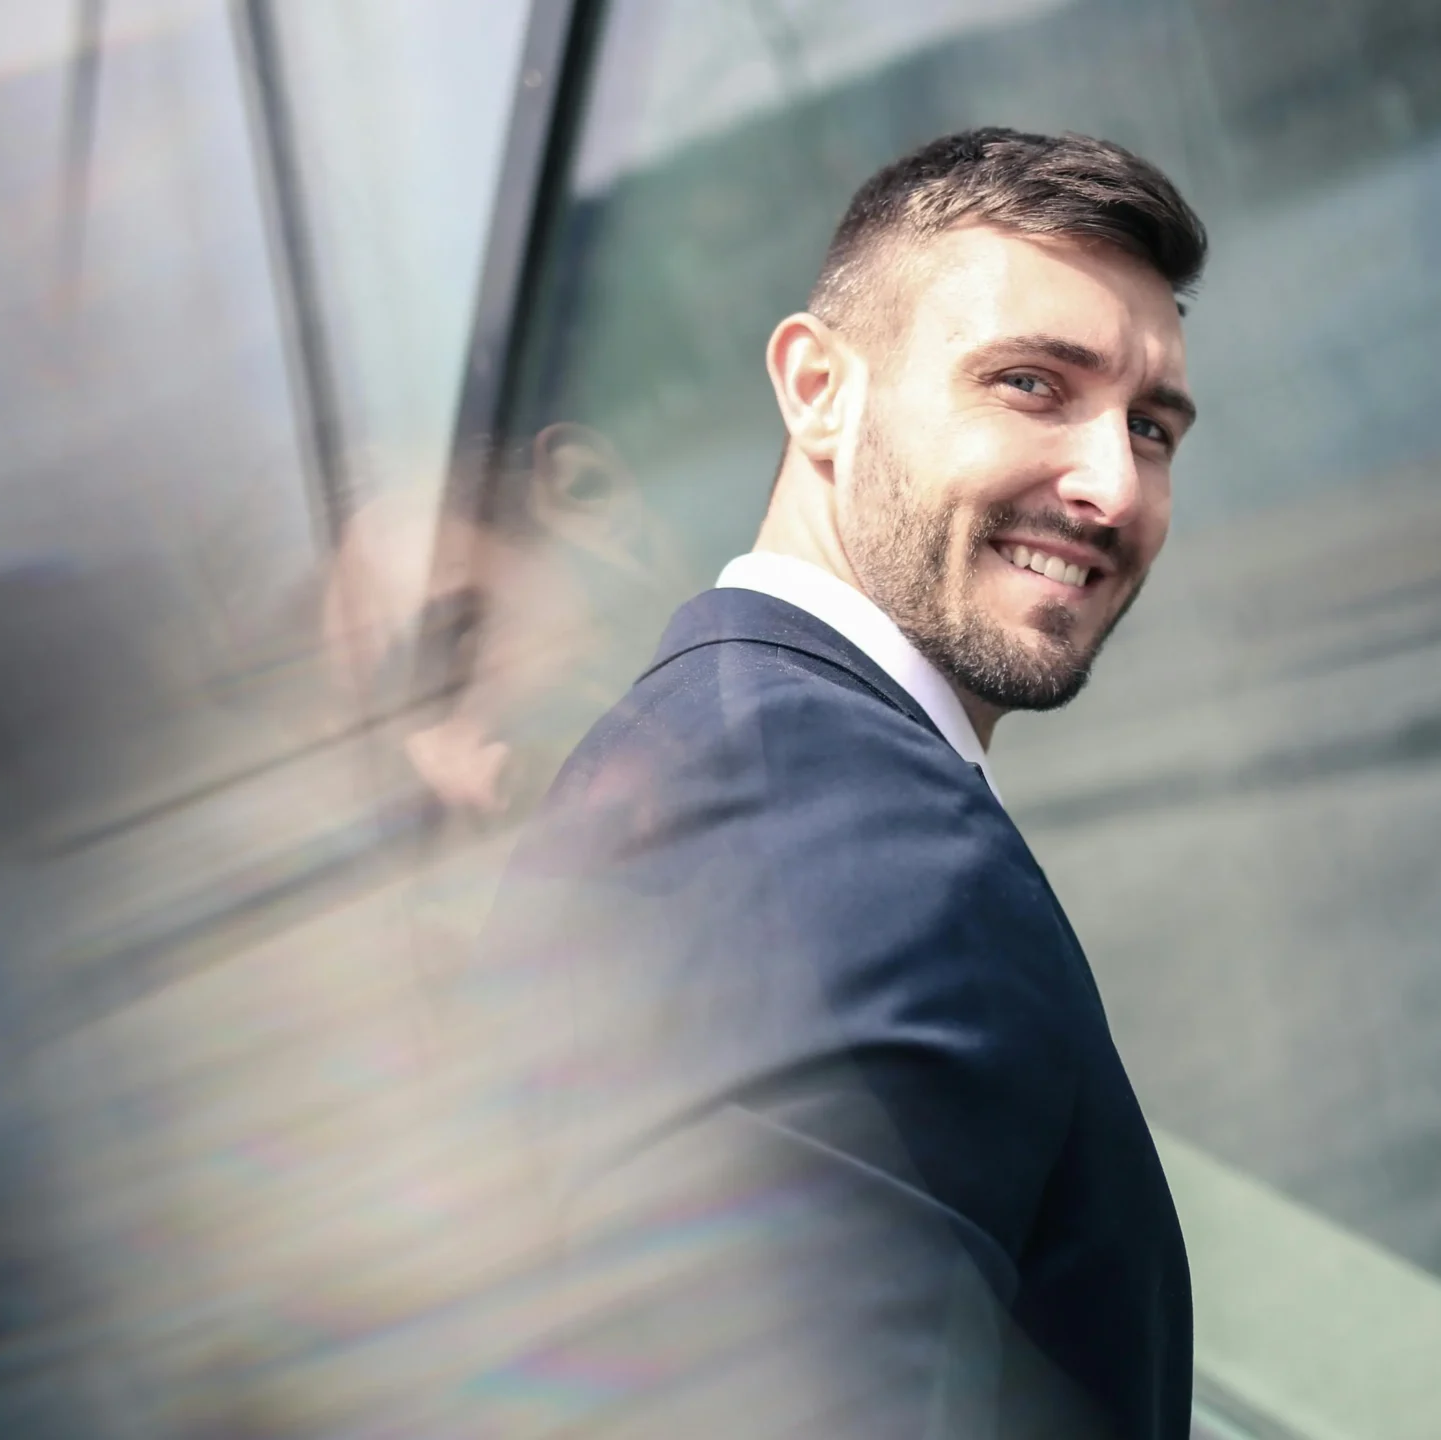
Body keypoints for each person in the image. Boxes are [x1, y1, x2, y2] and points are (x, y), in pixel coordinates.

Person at [455, 128, 1206, 1438]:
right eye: (1030, 383)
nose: (1112, 486)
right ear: (819, 390)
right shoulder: (854, 839)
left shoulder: (685, 744)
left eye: (1151, 426)